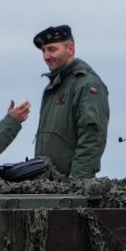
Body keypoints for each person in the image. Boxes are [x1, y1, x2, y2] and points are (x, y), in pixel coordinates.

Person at [32, 25, 110, 178]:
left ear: (70, 49)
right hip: (48, 184)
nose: (46, 56)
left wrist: (77, 183)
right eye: (43, 51)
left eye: (52, 49)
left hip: (68, 188)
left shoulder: (86, 84)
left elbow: (92, 139)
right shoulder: (55, 86)